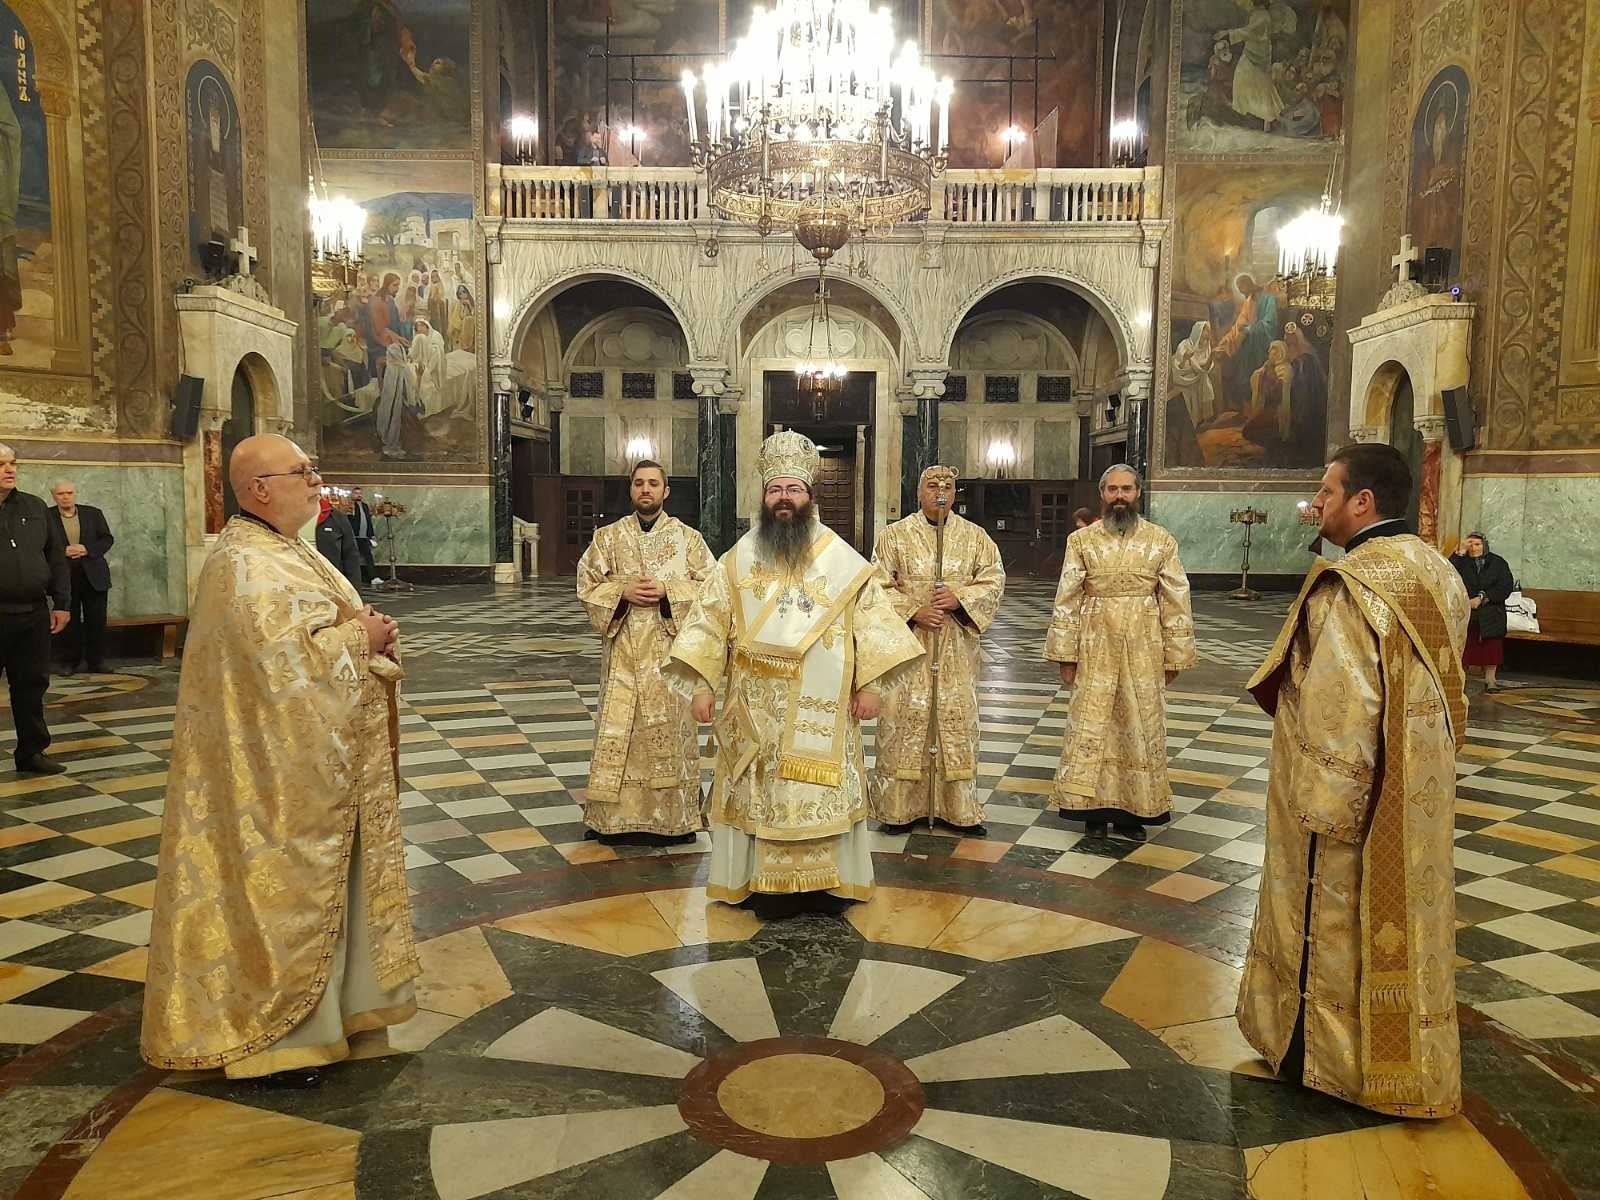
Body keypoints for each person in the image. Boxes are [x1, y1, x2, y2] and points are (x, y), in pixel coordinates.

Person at [142, 434, 417, 1087]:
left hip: (308, 769)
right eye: (302, 472)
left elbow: (314, 638)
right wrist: (361, 635)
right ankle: (279, 1039)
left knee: (328, 886)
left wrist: (364, 631)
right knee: (283, 894)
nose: (315, 480)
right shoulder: (242, 564)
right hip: (267, 783)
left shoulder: (286, 550)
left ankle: (335, 1015)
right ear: (260, 487)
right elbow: (282, 672)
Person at [1237, 443, 1469, 1117]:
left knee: (1335, 921)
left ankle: (1331, 1063)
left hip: (1355, 802)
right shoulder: (1437, 570)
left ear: (1362, 502)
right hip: (1419, 786)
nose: (1318, 501)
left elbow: (1341, 708)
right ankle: (1410, 1069)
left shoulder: (1350, 585)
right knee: (1412, 925)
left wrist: (1324, 808)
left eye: (1328, 491)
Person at [665, 431, 923, 913]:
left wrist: (868, 683)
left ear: (810, 497)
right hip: (755, 705)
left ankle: (825, 883)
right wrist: (702, 685)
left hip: (822, 702)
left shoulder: (841, 560)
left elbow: (871, 623)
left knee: (817, 789)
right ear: (763, 498)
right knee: (759, 795)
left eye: (794, 490)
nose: (784, 499)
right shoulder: (736, 559)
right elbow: (708, 621)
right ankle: (760, 882)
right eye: (775, 490)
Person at [1045, 464, 1196, 842]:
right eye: (1112, 489)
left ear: (1138, 493)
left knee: (1139, 722)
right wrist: (1066, 653)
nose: (1119, 497)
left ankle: (1134, 810)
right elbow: (1067, 597)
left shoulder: (1161, 540)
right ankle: (1091, 809)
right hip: (1095, 642)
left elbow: (1176, 597)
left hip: (1145, 644)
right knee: (1092, 722)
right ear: (1102, 493)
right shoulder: (1081, 542)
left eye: (1126, 489)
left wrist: (1175, 653)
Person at [576, 460, 714, 843]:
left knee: (671, 729)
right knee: (620, 729)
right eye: (639, 483)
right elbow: (587, 582)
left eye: (654, 483)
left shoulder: (688, 538)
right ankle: (611, 819)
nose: (646, 490)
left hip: (669, 655)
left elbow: (711, 587)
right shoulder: (607, 537)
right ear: (631, 490)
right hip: (621, 653)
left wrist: (670, 591)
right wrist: (622, 592)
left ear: (666, 491)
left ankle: (674, 820)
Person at [868, 465, 1005, 834]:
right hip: (908, 647)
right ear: (919, 492)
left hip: (955, 646)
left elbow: (993, 580)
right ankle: (898, 809)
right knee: (903, 718)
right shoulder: (893, 536)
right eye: (932, 485)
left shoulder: (976, 538)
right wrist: (914, 610)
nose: (940, 491)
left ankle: (957, 808)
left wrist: (959, 598)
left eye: (947, 486)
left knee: (954, 717)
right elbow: (875, 586)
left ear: (956, 493)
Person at [0, 445, 70, 774]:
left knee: (31, 685)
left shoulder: (35, 506)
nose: (9, 469)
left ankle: (32, 752)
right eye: (1, 464)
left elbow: (56, 556)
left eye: (12, 463)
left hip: (33, 614)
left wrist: (62, 603)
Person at [48, 481, 114, 675]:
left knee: (96, 620)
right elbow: (42, 543)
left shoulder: (93, 513)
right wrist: (63, 551)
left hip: (94, 576)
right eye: (61, 494)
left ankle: (96, 661)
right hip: (64, 577)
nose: (66, 497)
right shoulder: (47, 516)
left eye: (69, 493)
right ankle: (69, 662)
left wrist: (86, 549)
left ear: (75, 494)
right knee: (70, 622)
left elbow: (107, 539)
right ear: (54, 496)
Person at [1450, 531, 1515, 691]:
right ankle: (1460, 680)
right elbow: (1448, 573)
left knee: (1491, 646)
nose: (1474, 547)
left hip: (1491, 610)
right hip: (1467, 610)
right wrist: (1458, 554)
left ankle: (1490, 679)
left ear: (1484, 545)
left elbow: (1505, 586)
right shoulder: (1461, 561)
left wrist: (1482, 597)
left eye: (1477, 544)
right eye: (1470, 544)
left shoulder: (1498, 563)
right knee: (1465, 645)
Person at [315, 492, 363, 589]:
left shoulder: (336, 517)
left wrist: (355, 594)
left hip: (331, 585)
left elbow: (350, 557)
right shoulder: (281, 517)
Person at [349, 486, 378, 584]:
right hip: (354, 536)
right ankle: (352, 578)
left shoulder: (365, 506)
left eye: (360, 493)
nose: (359, 495)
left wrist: (371, 534)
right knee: (352, 558)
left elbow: (368, 520)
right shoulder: (349, 506)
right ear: (352, 494)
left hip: (364, 537)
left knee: (368, 557)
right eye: (356, 493)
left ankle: (373, 577)